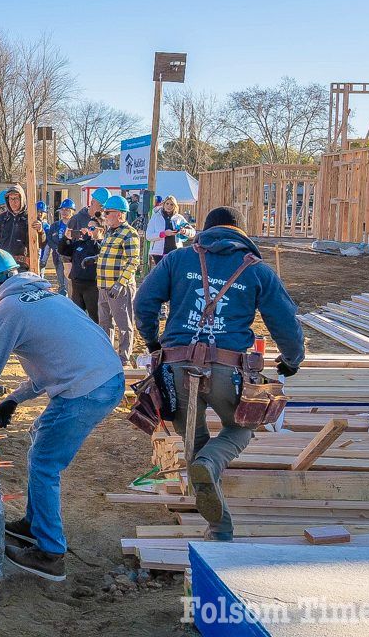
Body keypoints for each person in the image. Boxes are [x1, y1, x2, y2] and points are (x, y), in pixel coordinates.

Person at [135, 207, 305, 541]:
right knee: (241, 428)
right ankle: (211, 468)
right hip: (230, 372)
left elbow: (144, 303)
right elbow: (286, 324)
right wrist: (292, 360)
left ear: (206, 232)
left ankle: (219, 526)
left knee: (194, 442)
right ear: (240, 234)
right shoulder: (257, 271)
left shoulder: (178, 259)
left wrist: (154, 340)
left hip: (176, 369)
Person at [0, 249, 125, 581]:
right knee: (40, 439)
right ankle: (35, 525)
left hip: (86, 389)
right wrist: (16, 398)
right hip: (105, 378)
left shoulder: (9, 309)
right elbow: (55, 363)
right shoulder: (49, 296)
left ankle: (50, 553)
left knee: (45, 463)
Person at [96, 195, 142, 366]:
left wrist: (120, 283)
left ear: (120, 214)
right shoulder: (110, 233)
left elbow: (133, 261)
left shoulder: (130, 233)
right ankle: (107, 355)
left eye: (108, 212)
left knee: (124, 324)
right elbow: (109, 256)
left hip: (119, 288)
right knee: (105, 323)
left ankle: (124, 357)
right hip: (103, 285)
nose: (105, 215)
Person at [0, 185, 45, 271]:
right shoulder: (3, 218)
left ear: (22, 199)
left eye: (16, 198)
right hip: (4, 264)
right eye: (11, 199)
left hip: (22, 265)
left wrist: (41, 231)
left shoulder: (31, 218)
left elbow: (42, 243)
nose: (13, 202)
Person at [58, 219, 102, 322]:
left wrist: (91, 238)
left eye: (92, 228)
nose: (88, 230)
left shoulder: (102, 245)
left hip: (92, 286)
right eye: (88, 227)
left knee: (94, 317)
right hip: (77, 285)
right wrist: (66, 238)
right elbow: (63, 250)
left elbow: (96, 250)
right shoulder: (80, 244)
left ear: (101, 230)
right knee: (78, 316)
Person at [145, 195, 196, 266]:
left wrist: (184, 231)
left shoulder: (179, 218)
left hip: (175, 251)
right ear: (163, 204)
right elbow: (148, 236)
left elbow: (193, 232)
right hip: (158, 253)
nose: (169, 206)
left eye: (172, 204)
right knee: (162, 274)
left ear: (175, 206)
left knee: (173, 274)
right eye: (167, 203)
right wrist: (164, 234)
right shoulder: (155, 217)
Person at [46, 201, 72, 296]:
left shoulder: (75, 225)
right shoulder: (55, 226)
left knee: (69, 281)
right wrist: (56, 248)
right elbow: (49, 239)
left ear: (72, 211)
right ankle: (62, 298)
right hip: (58, 257)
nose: (64, 212)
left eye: (67, 210)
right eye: (62, 210)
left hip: (70, 258)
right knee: (61, 281)